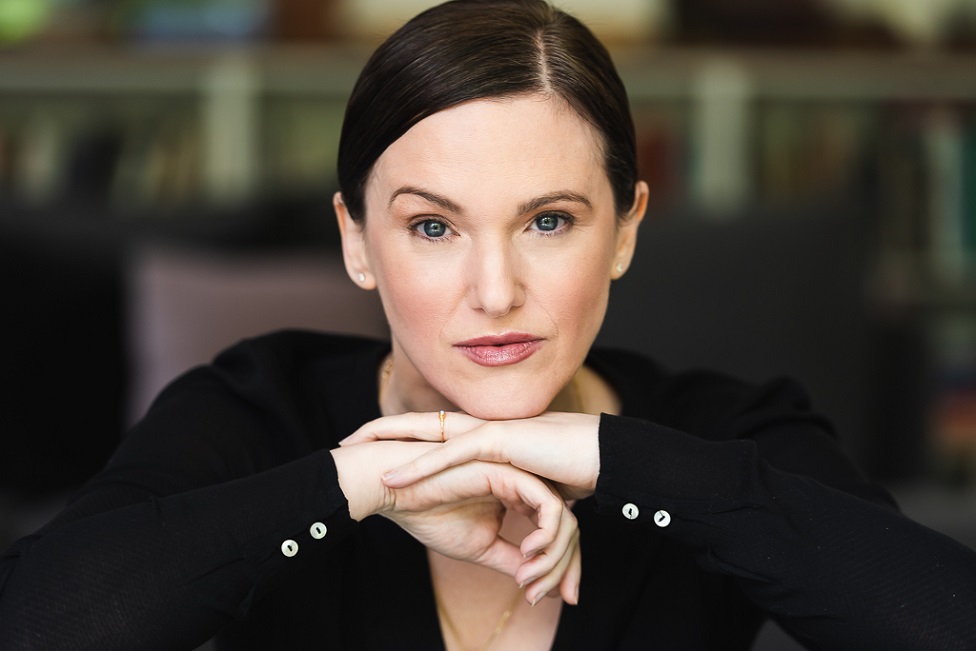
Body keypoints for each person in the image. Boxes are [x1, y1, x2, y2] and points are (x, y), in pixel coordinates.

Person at [2, 0, 975, 649]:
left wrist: (615, 460)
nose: (496, 291)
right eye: (433, 227)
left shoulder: (722, 433)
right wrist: (362, 483)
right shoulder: (258, 408)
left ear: (626, 230)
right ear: (356, 241)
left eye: (548, 221)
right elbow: (35, 620)